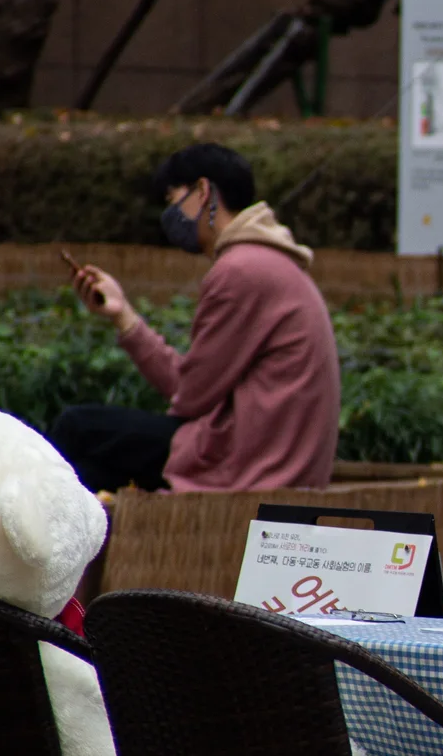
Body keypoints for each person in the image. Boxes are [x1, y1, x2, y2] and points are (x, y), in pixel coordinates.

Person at [52, 143, 340, 493]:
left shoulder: (240, 270)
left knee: (78, 427)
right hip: (272, 458)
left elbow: (189, 395)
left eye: (174, 201)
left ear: (203, 192)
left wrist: (129, 324)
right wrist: (122, 314)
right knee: (91, 473)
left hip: (248, 464)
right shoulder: (272, 262)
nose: (171, 215)